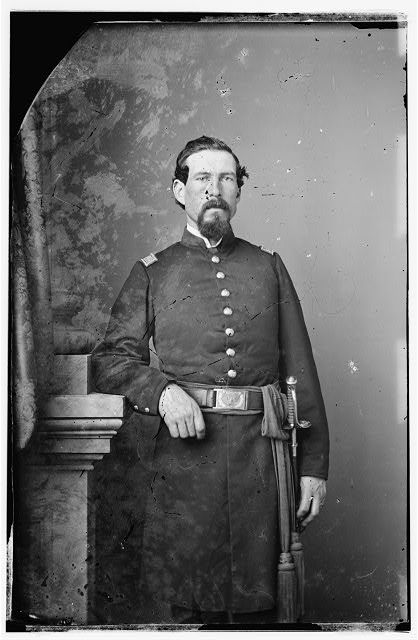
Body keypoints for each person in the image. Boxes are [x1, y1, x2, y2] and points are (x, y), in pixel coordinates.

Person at [92, 135, 329, 625]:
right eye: (202, 178)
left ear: (238, 191)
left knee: (264, 617)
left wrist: (314, 467)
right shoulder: (153, 272)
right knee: (192, 613)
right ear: (180, 190)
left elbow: (300, 372)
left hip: (263, 466)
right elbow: (110, 360)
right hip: (186, 471)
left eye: (226, 178)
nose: (214, 189)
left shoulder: (268, 267)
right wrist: (163, 393)